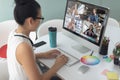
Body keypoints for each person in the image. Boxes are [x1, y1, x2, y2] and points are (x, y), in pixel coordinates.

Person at [7, 0, 68, 80]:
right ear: (31, 21)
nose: (40, 21)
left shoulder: (13, 34)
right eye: (40, 18)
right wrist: (57, 65)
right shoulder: (23, 46)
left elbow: (23, 59)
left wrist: (43, 54)